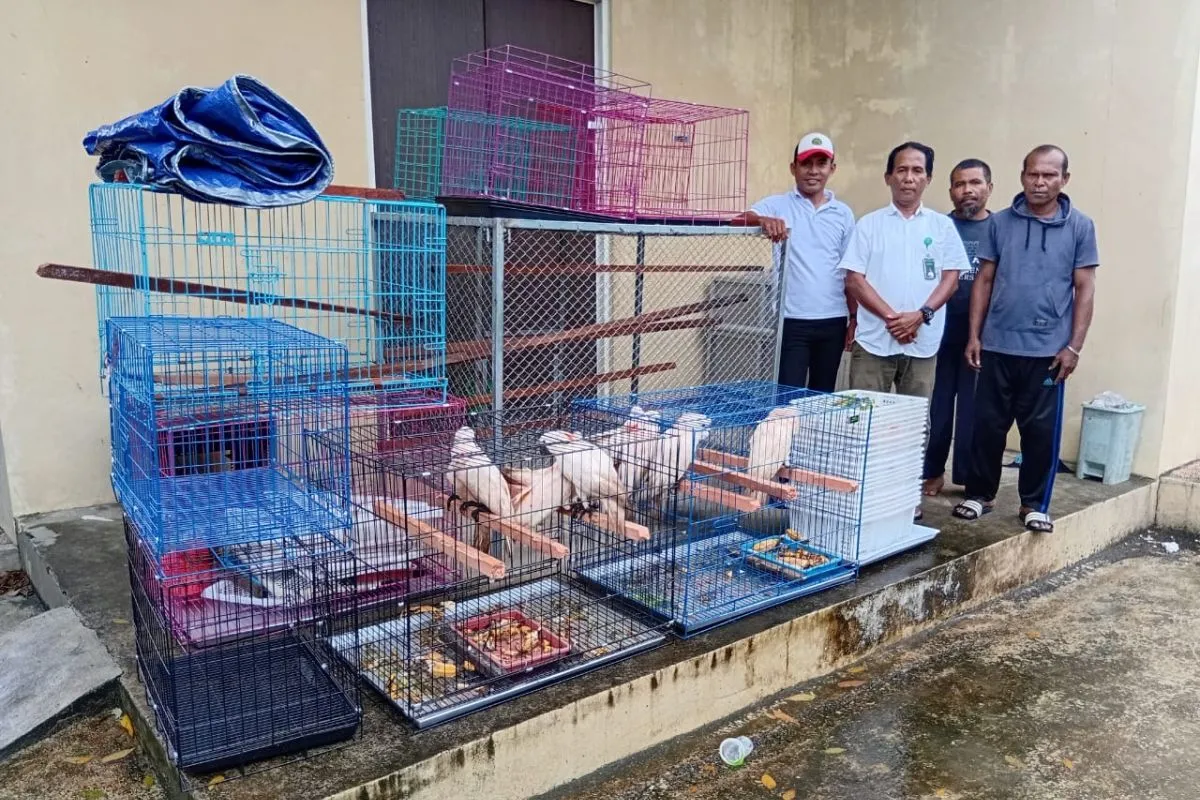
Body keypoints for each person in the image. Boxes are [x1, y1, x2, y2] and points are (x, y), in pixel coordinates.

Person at [953, 145, 1099, 534]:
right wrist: (974, 335)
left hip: (1048, 353)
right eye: (1033, 174)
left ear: (1064, 179)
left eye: (1049, 175)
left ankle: (1033, 504)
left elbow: (1085, 289)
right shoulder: (1000, 223)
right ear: (1022, 176)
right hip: (997, 345)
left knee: (1040, 434)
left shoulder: (1080, 227)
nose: (1039, 182)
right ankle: (979, 495)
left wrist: (1074, 347)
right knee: (987, 426)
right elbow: (984, 280)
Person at [839, 141, 968, 522]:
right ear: (888, 177)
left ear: (928, 178)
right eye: (901, 170)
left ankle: (906, 496)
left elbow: (951, 278)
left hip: (922, 343)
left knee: (912, 425)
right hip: (874, 342)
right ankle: (863, 495)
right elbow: (854, 279)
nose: (908, 177)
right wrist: (893, 318)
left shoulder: (941, 226)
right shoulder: (869, 225)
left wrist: (921, 315)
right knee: (863, 419)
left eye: (917, 170)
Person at [739, 132, 856, 391]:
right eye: (806, 164)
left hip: (833, 320)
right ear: (794, 168)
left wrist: (854, 317)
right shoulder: (778, 205)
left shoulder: (843, 213)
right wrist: (762, 220)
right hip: (791, 320)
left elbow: (850, 271)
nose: (813, 171)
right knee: (787, 397)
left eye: (821, 164)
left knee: (821, 396)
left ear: (832, 168)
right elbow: (739, 219)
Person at [922, 159, 994, 497]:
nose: (968, 190)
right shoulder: (938, 226)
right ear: (950, 190)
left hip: (980, 337)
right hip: (938, 333)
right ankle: (932, 472)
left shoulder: (998, 229)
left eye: (975, 183)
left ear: (989, 188)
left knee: (972, 411)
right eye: (960, 184)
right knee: (937, 409)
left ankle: (966, 476)